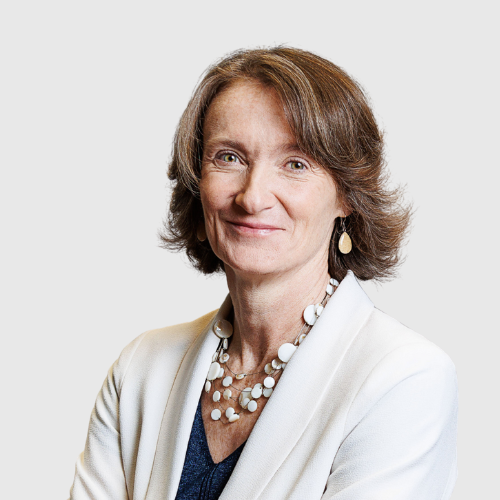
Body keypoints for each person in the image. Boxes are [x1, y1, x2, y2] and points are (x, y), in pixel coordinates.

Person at [69, 47, 458, 500]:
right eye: (229, 158)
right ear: (197, 185)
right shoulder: (142, 367)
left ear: (346, 196)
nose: (252, 197)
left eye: (295, 164)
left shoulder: (403, 378)